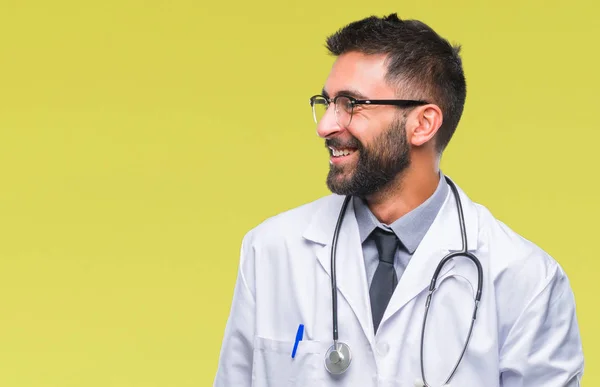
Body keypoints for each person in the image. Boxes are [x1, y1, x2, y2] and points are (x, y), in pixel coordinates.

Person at [213, 13, 584, 387]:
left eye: (351, 104)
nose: (325, 126)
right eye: (327, 103)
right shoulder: (270, 251)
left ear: (422, 124)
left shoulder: (526, 280)